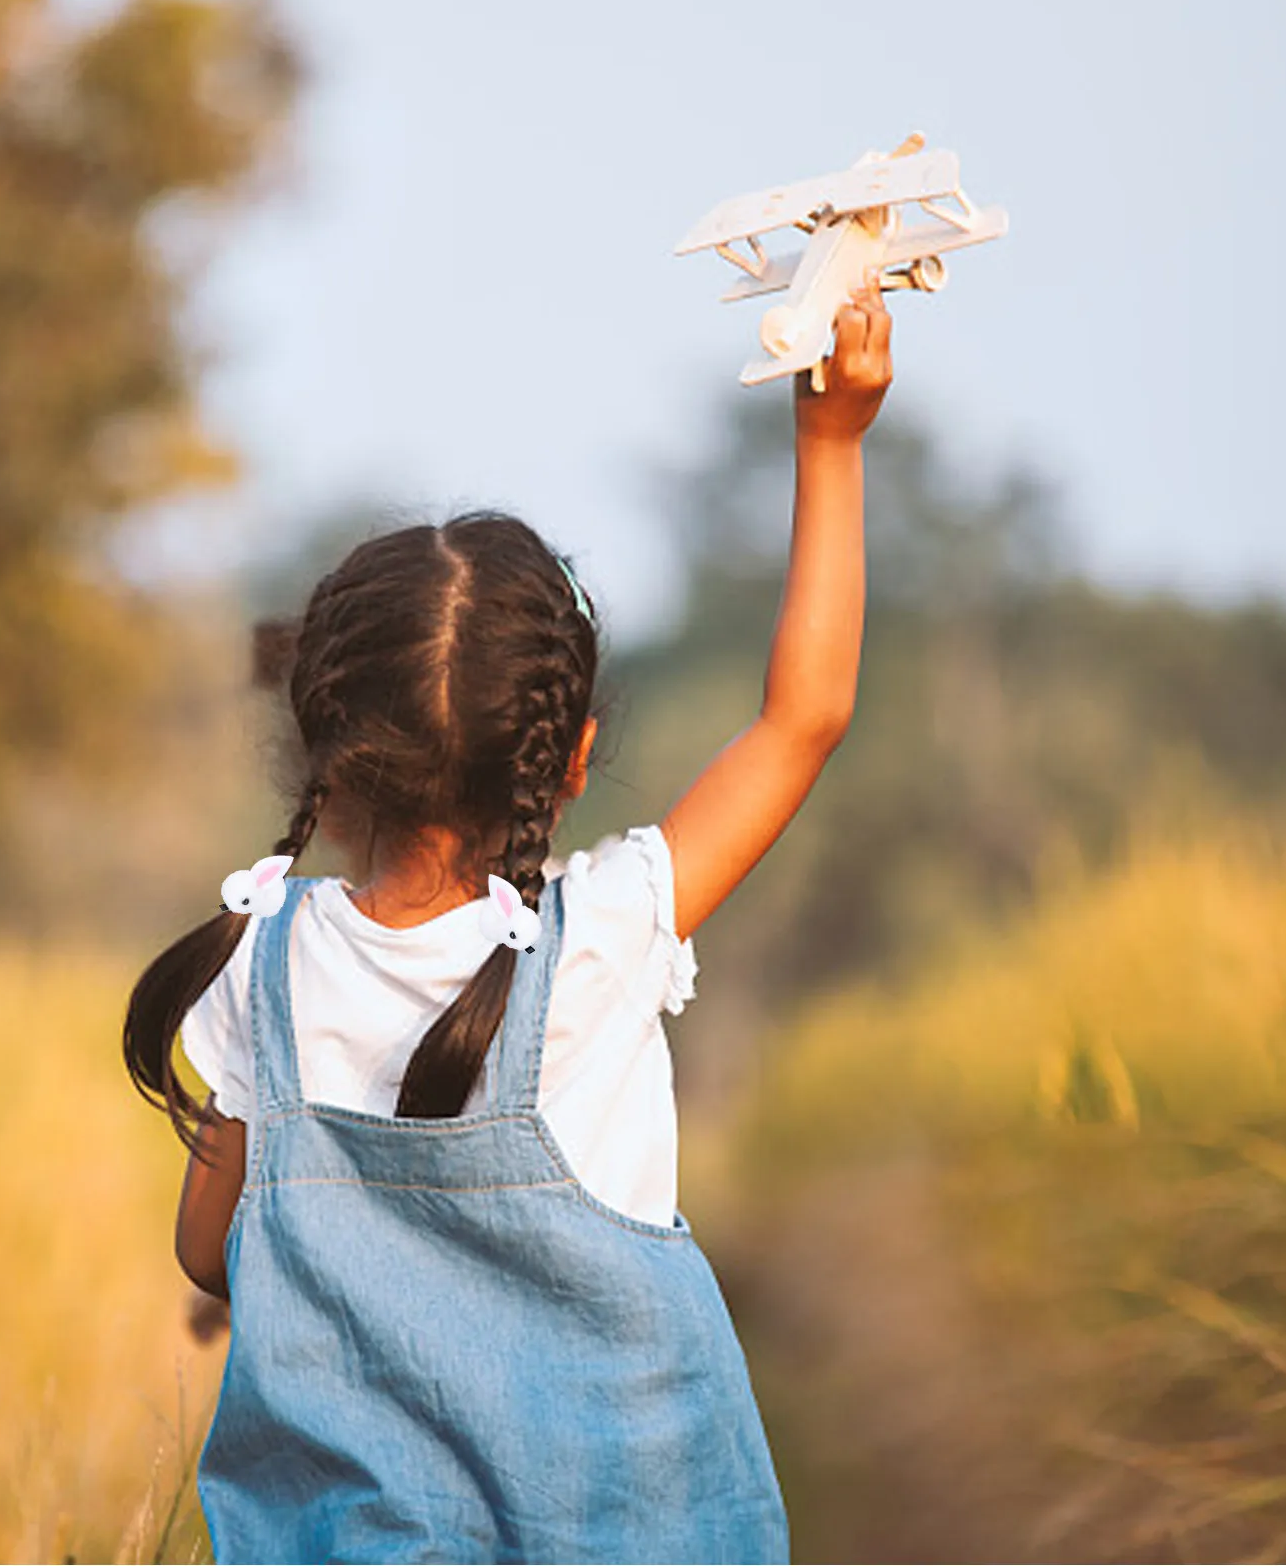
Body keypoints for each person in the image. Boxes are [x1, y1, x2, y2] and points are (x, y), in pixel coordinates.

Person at [123, 275, 892, 1564]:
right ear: (571, 755)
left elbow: (216, 1253)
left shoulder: (260, 965)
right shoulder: (600, 937)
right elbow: (801, 721)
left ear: (325, 749)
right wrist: (830, 441)